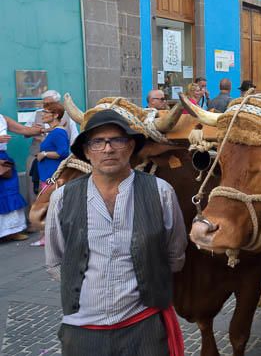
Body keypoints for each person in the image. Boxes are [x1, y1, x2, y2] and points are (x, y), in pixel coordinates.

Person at [44, 109, 187, 355]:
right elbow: (57, 262)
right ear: (87, 152)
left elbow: (174, 255)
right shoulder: (62, 198)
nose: (108, 149)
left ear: (130, 147)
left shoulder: (161, 192)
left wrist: (148, 279)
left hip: (145, 325)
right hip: (82, 329)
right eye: (98, 142)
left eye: (117, 140)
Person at [25, 90, 79, 202]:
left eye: (49, 104)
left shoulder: (66, 121)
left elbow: (70, 144)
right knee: (36, 194)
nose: (44, 109)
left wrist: (45, 154)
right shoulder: (37, 114)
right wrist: (35, 131)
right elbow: (25, 133)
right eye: (44, 103)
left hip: (53, 169)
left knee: (51, 199)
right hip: (37, 162)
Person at [0, 112, 41, 241]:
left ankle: (11, 231)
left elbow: (23, 129)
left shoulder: (3, 117)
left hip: (3, 160)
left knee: (10, 190)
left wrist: (44, 128)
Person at [36, 102, 70, 189]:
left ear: (55, 115)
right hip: (48, 175)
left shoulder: (58, 132)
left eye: (46, 112)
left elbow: (63, 153)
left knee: (52, 201)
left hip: (53, 176)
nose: (42, 115)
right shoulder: (54, 131)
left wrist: (44, 154)